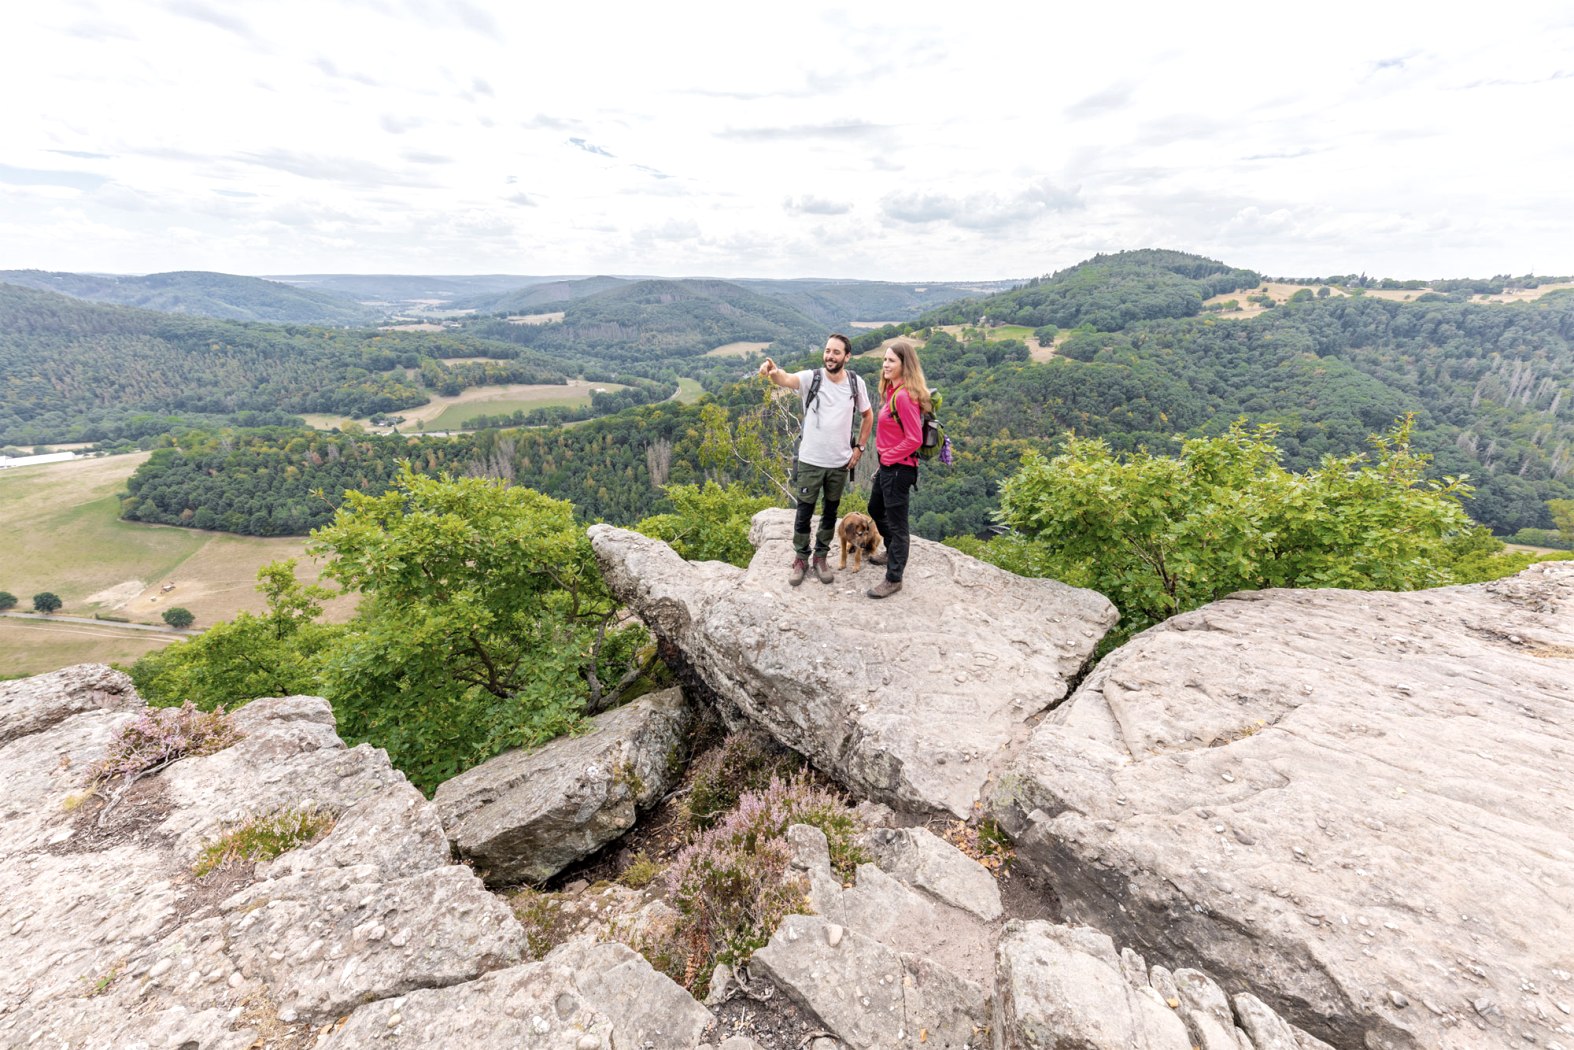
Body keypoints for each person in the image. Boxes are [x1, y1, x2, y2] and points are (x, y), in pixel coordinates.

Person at [758, 334, 874, 585]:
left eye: (836, 352)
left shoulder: (856, 383)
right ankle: (800, 558)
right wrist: (772, 370)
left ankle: (820, 557)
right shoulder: (813, 378)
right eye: (827, 351)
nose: (830, 356)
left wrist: (860, 449)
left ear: (847, 356)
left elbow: (868, 415)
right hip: (810, 460)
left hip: (839, 463)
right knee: (804, 511)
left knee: (830, 512)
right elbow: (786, 379)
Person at [865, 339, 931, 599]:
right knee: (875, 508)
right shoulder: (893, 392)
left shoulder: (904, 396)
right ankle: (892, 551)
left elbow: (914, 438)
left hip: (898, 469)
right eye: (885, 359)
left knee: (898, 525)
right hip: (889, 466)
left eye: (892, 360)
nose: (885, 364)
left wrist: (889, 457)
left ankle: (894, 578)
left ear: (905, 365)